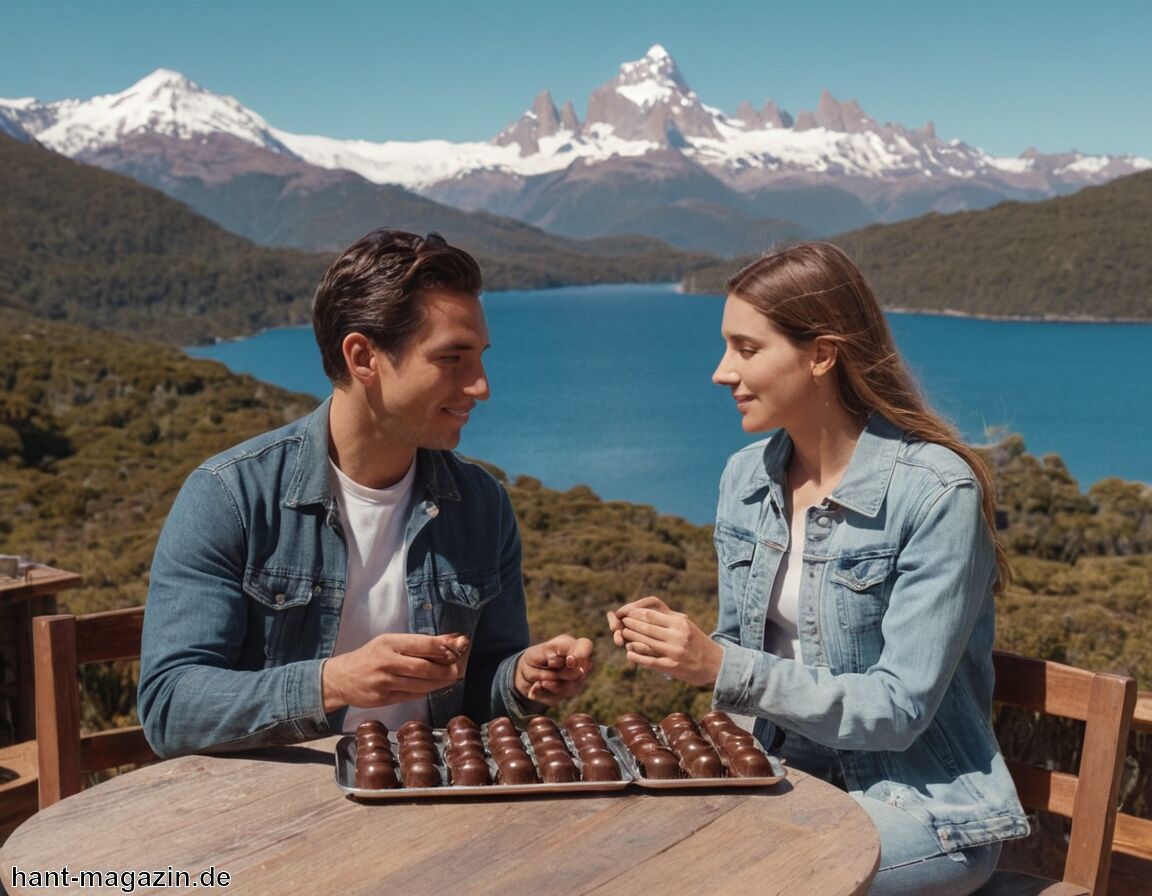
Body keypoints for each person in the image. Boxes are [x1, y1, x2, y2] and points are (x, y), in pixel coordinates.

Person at [608, 243, 1028, 896]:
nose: (722, 372)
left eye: (747, 349)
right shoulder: (745, 480)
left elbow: (899, 708)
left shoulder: (937, 492)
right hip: (778, 782)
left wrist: (721, 668)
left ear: (822, 354)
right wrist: (680, 646)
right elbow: (747, 655)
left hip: (919, 806)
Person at [139, 228, 592, 758]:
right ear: (362, 357)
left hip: (432, 802)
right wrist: (334, 682)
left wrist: (520, 679)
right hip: (270, 817)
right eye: (452, 359)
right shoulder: (229, 498)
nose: (481, 386)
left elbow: (480, 687)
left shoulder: (482, 505)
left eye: (480, 358)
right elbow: (169, 708)